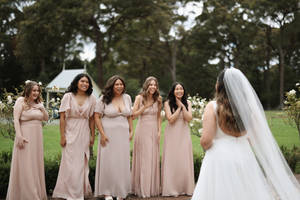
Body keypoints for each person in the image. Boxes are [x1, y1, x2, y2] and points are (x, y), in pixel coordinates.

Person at [191, 67, 300, 200]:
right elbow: (253, 138)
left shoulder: (213, 106)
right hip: (245, 156)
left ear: (219, 85)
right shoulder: (248, 109)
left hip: (220, 159)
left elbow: (206, 141)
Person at [52, 73, 96, 200]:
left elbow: (92, 119)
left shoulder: (92, 98)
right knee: (70, 164)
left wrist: (93, 136)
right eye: (82, 81)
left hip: (84, 133)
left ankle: (79, 192)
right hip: (70, 132)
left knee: (82, 163)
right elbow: (62, 117)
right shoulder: (68, 96)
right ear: (76, 82)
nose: (84, 84)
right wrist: (62, 136)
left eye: (87, 82)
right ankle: (69, 193)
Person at [6, 81, 48, 200]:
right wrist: (19, 135)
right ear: (28, 90)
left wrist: (42, 108)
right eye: (34, 90)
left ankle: (36, 192)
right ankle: (27, 195)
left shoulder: (39, 102)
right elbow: (15, 118)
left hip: (37, 137)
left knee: (35, 164)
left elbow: (46, 118)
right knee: (26, 164)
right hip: (25, 136)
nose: (36, 93)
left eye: (38, 91)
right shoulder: (21, 101)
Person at [94, 75, 133, 200]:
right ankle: (107, 192)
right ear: (111, 85)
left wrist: (131, 130)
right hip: (108, 135)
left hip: (123, 135)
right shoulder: (104, 98)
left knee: (122, 162)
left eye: (121, 84)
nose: (119, 86)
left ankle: (120, 191)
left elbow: (129, 116)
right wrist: (102, 134)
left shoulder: (127, 98)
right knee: (108, 162)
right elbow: (96, 116)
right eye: (117, 84)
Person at [161, 82, 194, 197]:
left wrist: (183, 106)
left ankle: (185, 188)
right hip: (172, 134)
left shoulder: (188, 102)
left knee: (183, 159)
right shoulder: (167, 103)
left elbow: (189, 118)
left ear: (183, 91)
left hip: (184, 134)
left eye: (181, 89)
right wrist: (179, 107)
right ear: (173, 91)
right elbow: (170, 119)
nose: (179, 91)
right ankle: (171, 188)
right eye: (177, 89)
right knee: (172, 159)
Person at [131, 76, 162, 198]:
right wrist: (145, 106)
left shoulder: (158, 99)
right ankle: (142, 189)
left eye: (154, 85)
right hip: (142, 129)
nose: (153, 87)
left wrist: (159, 131)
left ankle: (151, 188)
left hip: (153, 130)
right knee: (144, 158)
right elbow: (133, 115)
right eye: (150, 84)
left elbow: (159, 116)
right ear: (146, 86)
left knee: (152, 157)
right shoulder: (139, 98)